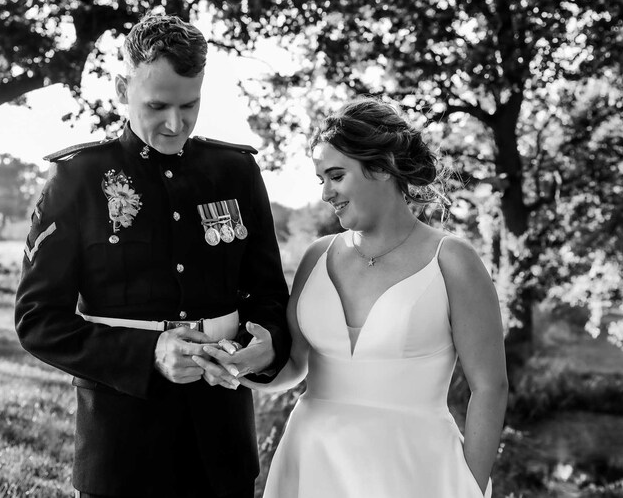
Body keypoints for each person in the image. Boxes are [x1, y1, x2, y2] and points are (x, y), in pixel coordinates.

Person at [14, 14, 291, 498]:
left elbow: (268, 294)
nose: (175, 123)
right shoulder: (77, 178)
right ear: (123, 89)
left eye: (190, 105)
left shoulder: (236, 172)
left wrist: (268, 347)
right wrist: (149, 355)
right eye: (157, 105)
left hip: (221, 442)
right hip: (122, 448)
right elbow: (38, 320)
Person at [204, 98, 508, 498]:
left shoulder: (452, 261)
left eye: (336, 176)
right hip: (313, 464)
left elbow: (490, 386)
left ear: (381, 167)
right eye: (321, 180)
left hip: (415, 471)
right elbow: (296, 365)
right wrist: (243, 366)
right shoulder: (317, 255)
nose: (326, 193)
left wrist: (470, 483)